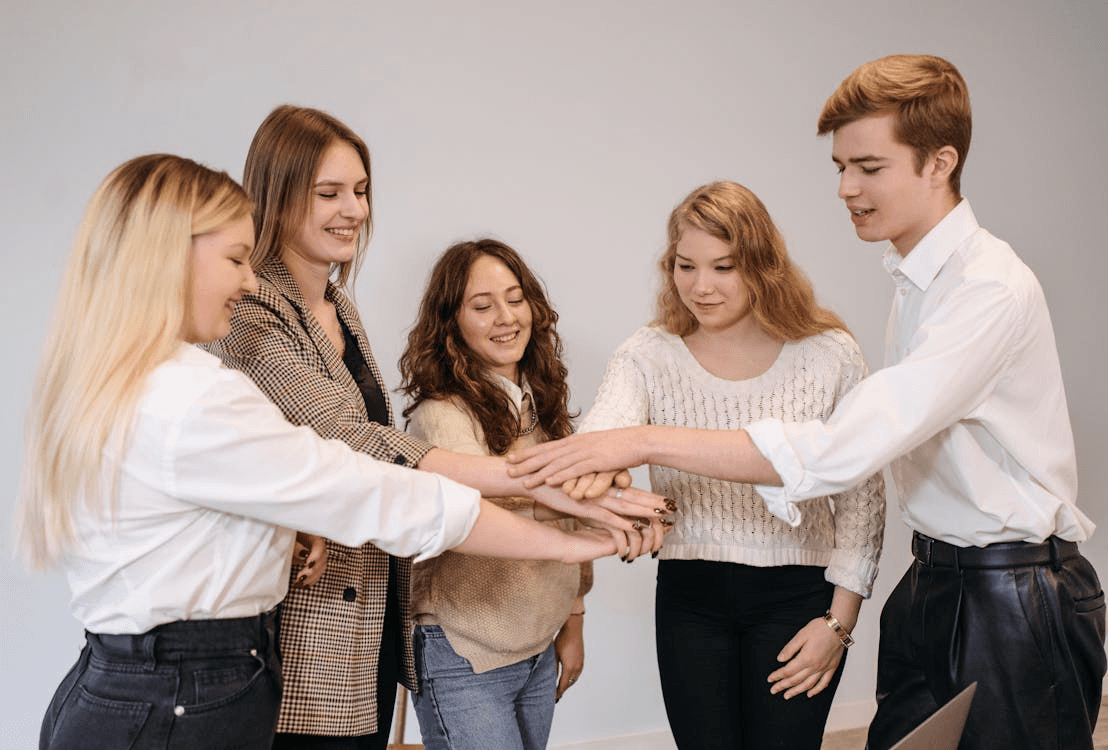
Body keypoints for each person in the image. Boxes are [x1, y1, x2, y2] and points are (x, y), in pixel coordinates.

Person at [508, 55, 1107, 750]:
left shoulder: (986, 290)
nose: (847, 188)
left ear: (940, 163)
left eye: (869, 167)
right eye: (840, 167)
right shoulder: (917, 283)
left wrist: (639, 442)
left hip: (1011, 593)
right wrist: (601, 477)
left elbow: (839, 451)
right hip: (935, 581)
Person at [16, 154, 634, 750]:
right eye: (235, 258)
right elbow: (368, 488)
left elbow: (199, 511)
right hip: (180, 696)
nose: (249, 280)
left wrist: (283, 526)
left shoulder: (130, 379)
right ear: (168, 257)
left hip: (135, 686)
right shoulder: (191, 396)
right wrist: (579, 541)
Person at [206, 105, 667, 749]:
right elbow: (354, 441)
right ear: (277, 197)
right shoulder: (253, 311)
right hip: (308, 622)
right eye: (329, 193)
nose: (354, 210)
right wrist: (554, 492)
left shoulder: (338, 306)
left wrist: (574, 517)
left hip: (371, 613)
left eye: (361, 190)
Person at [566, 182, 885, 750]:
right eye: (685, 266)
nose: (701, 287)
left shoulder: (829, 354)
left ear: (762, 265)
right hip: (690, 598)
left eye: (723, 267)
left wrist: (840, 623)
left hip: (799, 598)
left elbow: (862, 498)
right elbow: (603, 440)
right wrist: (614, 492)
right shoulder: (646, 354)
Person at [398, 239, 645, 750]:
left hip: (536, 646)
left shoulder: (539, 405)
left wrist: (573, 620)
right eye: (482, 306)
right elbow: (483, 521)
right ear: (451, 323)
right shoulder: (441, 414)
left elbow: (570, 517)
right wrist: (606, 514)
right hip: (465, 652)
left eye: (515, 299)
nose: (506, 318)